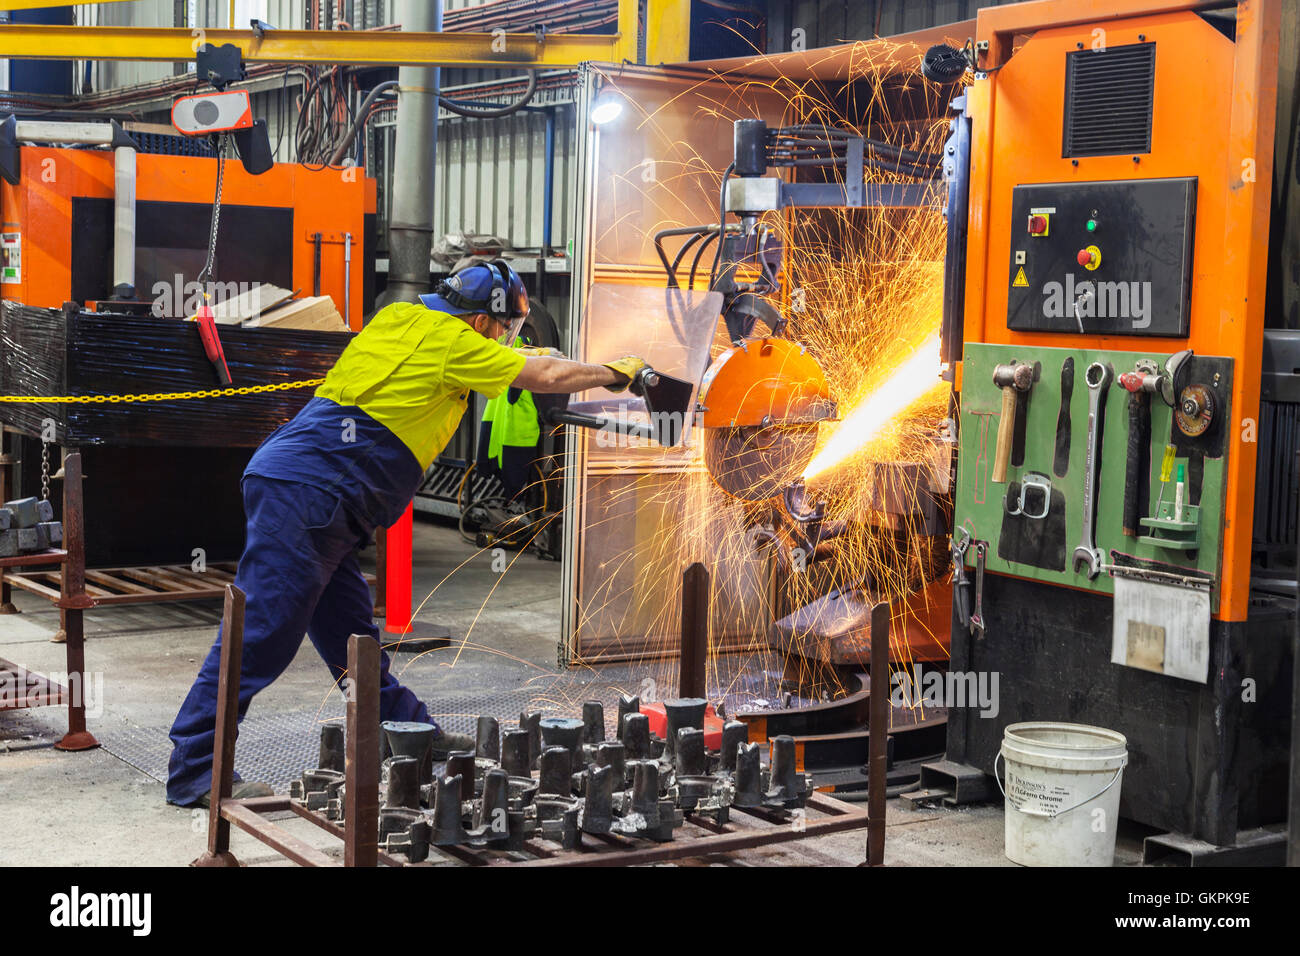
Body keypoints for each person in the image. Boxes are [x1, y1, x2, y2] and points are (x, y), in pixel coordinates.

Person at [166, 260, 645, 806]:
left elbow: (509, 360)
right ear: (485, 321)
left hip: (305, 486)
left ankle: (408, 735)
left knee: (353, 641)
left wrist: (534, 356)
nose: (507, 337)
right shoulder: (453, 341)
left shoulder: (401, 318)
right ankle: (195, 773)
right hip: (316, 492)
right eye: (506, 327)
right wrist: (614, 373)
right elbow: (543, 377)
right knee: (262, 637)